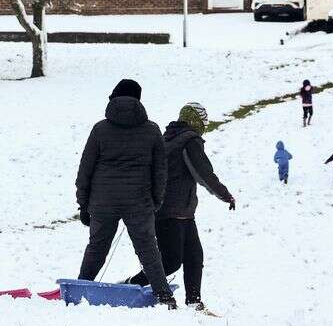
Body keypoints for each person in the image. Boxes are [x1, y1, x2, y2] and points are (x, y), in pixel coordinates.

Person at [121, 103, 235, 312]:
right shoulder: (189, 141)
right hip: (171, 212)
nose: (205, 126)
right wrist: (225, 195)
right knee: (171, 261)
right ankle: (129, 286)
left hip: (178, 212)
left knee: (194, 256)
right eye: (203, 122)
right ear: (195, 121)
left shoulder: (168, 139)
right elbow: (204, 174)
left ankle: (194, 302)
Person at [75, 79, 176, 309]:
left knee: (97, 247)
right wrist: (155, 200)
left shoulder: (100, 129)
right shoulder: (151, 130)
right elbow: (160, 171)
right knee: (148, 249)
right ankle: (165, 296)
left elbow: (85, 169)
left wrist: (83, 204)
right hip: (139, 202)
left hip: (103, 201)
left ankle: (81, 289)